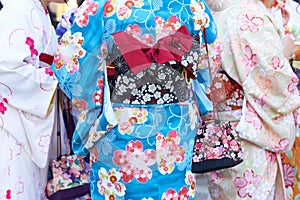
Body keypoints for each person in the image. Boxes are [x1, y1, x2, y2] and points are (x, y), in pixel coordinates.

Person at [52, 0, 222, 199]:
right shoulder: (192, 4)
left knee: (121, 189)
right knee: (174, 190)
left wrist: (96, 102)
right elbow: (211, 60)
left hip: (122, 124)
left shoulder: (103, 5)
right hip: (176, 127)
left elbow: (69, 61)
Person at [204, 0, 300, 199]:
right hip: (250, 132)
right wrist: (284, 53)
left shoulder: (207, 14)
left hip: (220, 134)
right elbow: (275, 85)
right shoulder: (247, 16)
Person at [0, 0, 68, 199]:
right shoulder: (19, 8)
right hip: (15, 123)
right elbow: (5, 68)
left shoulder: (39, 11)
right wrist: (56, 80)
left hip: (32, 118)